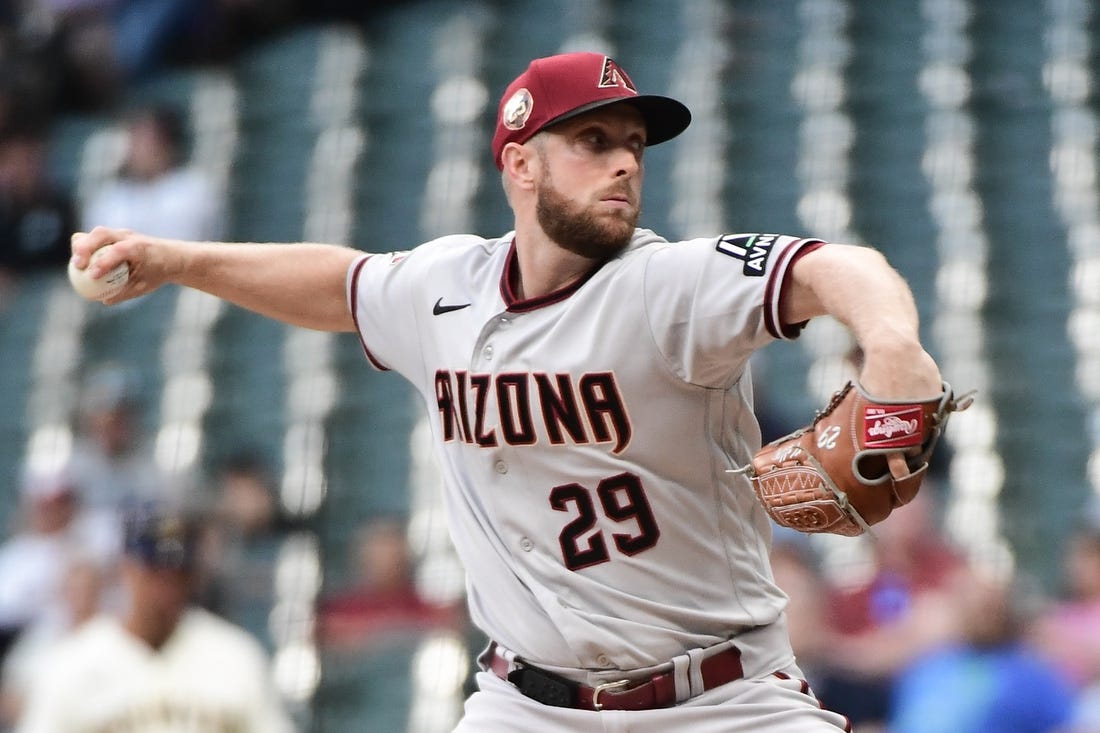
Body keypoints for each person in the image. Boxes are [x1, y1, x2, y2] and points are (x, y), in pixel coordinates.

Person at [70, 51, 948, 731]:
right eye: (593, 142)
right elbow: (336, 282)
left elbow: (839, 267)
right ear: (520, 165)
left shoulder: (670, 285)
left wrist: (894, 347)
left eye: (634, 146)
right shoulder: (448, 287)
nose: (623, 166)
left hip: (720, 696)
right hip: (527, 703)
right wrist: (178, 259)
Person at [14, 501, 296, 733]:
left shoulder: (235, 655)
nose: (166, 586)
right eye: (154, 572)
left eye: (178, 573)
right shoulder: (72, 663)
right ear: (126, 569)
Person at [888, 567, 1076, 733]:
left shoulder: (1031, 674)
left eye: (988, 609)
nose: (982, 618)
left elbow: (1065, 725)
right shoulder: (925, 670)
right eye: (972, 606)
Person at [80, 103, 225, 242]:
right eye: (134, 140)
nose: (138, 150)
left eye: (147, 140)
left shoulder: (194, 189)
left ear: (168, 145)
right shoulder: (111, 198)